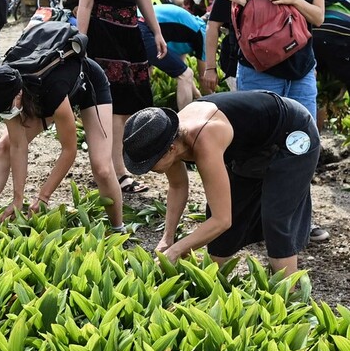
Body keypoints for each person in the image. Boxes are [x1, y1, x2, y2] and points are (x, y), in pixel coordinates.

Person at [200, 0, 328, 242]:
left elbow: (318, 16)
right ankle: (245, 219)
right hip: (261, 69)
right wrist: (248, 2)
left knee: (303, 146)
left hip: (301, 68)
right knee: (253, 148)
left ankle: (300, 222)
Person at [122, 92, 318, 276]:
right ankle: (213, 285)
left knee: (276, 218)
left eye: (149, 164)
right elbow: (178, 186)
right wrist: (168, 238)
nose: (147, 169)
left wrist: (176, 251)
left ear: (171, 149)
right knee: (226, 227)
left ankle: (288, 300)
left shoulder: (204, 138)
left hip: (293, 132)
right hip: (252, 146)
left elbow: (222, 219)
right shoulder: (166, 138)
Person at [0, 32, 124, 229]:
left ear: (18, 94)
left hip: (87, 83)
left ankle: (118, 228)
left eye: (7, 109)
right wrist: (18, 199)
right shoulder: (1, 86)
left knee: (102, 168)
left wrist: (43, 196)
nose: (7, 114)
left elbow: (69, 150)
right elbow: (18, 145)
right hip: (37, 94)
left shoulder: (53, 90)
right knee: (4, 147)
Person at [77, 0, 167, 195]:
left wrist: (156, 32)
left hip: (131, 32)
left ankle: (113, 166)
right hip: (103, 37)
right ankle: (115, 171)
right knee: (112, 109)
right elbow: (84, 5)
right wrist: (80, 46)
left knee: (129, 106)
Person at [139, 4, 203, 110]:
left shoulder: (185, 29)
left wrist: (197, 96)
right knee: (186, 75)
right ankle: (186, 123)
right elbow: (202, 77)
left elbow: (180, 66)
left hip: (133, 23)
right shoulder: (201, 31)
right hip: (142, 26)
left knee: (144, 75)